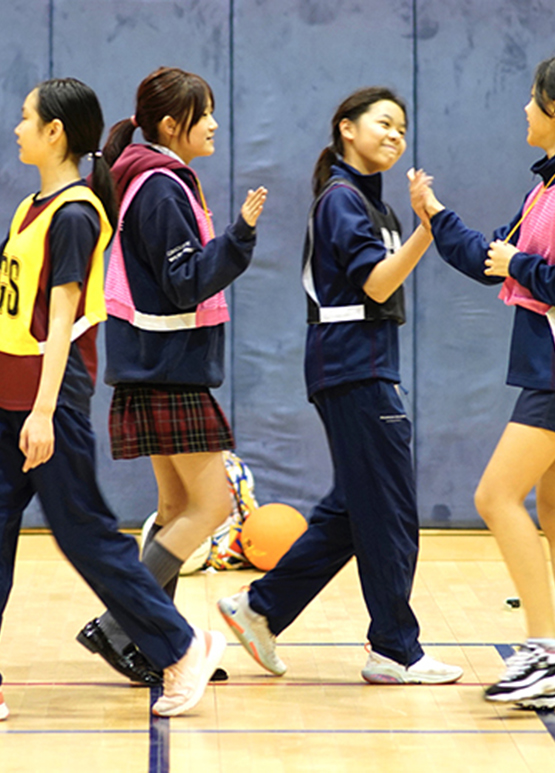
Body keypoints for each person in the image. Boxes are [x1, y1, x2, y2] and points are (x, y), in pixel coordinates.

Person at [0, 78, 224, 723]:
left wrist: (43, 411)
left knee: (89, 540)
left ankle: (183, 647)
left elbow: (64, 315)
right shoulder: (31, 209)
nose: (16, 127)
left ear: (55, 132)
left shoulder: (77, 213)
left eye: (25, 118)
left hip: (48, 402)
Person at [217, 87, 463, 686]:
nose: (395, 135)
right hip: (353, 367)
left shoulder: (371, 205)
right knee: (391, 512)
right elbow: (377, 286)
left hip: (363, 364)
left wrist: (416, 229)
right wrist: (428, 230)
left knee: (357, 510)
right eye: (383, 123)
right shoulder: (342, 201)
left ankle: (262, 608)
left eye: (402, 128)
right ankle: (395, 649)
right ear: (346, 129)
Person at [412, 51, 555, 710]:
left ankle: (543, 646)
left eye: (531, 99)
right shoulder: (550, 185)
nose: (524, 109)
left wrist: (523, 264)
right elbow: (492, 261)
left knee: (495, 495)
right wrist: (435, 214)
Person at [76, 66, 265, 685]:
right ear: (168, 124)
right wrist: (239, 237)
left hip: (151, 365)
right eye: (202, 113)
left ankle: (165, 643)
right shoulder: (159, 185)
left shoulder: (142, 176)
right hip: (169, 369)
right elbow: (185, 282)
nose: (213, 124)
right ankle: (117, 625)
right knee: (210, 508)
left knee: (176, 506)